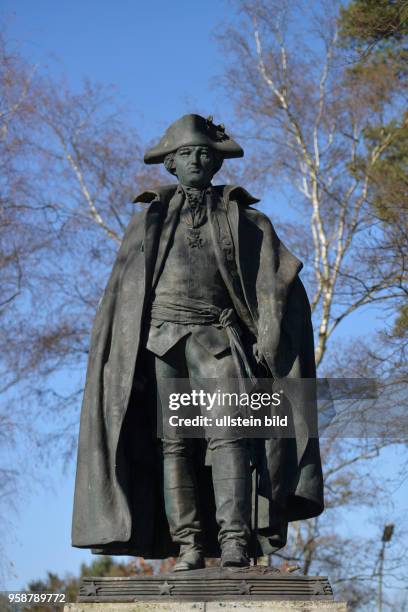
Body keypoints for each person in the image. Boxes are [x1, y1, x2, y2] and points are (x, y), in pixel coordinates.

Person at [72, 114, 324, 571]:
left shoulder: (246, 220)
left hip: (217, 337)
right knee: (176, 444)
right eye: (187, 154)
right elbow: (122, 300)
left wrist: (268, 330)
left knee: (230, 437)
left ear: (217, 163)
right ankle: (187, 543)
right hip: (162, 343)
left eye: (205, 153)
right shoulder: (147, 221)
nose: (197, 160)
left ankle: (233, 541)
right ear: (170, 163)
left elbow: (276, 283)